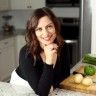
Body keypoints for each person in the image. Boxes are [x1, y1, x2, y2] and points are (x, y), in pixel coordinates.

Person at [12, 7, 70, 96]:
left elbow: (65, 76)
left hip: (46, 89)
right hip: (21, 87)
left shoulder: (63, 46)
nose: (46, 34)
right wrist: (49, 61)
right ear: (33, 32)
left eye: (49, 26)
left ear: (55, 26)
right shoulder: (26, 53)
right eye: (39, 29)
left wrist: (50, 86)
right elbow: (42, 93)